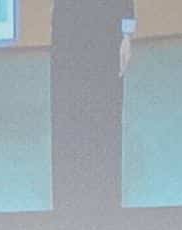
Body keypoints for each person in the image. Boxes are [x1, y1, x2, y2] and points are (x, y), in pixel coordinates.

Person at [50, 0, 138, 216]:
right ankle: (67, 201)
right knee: (68, 117)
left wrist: (127, 35)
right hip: (67, 33)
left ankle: (106, 201)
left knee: (106, 116)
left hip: (107, 34)